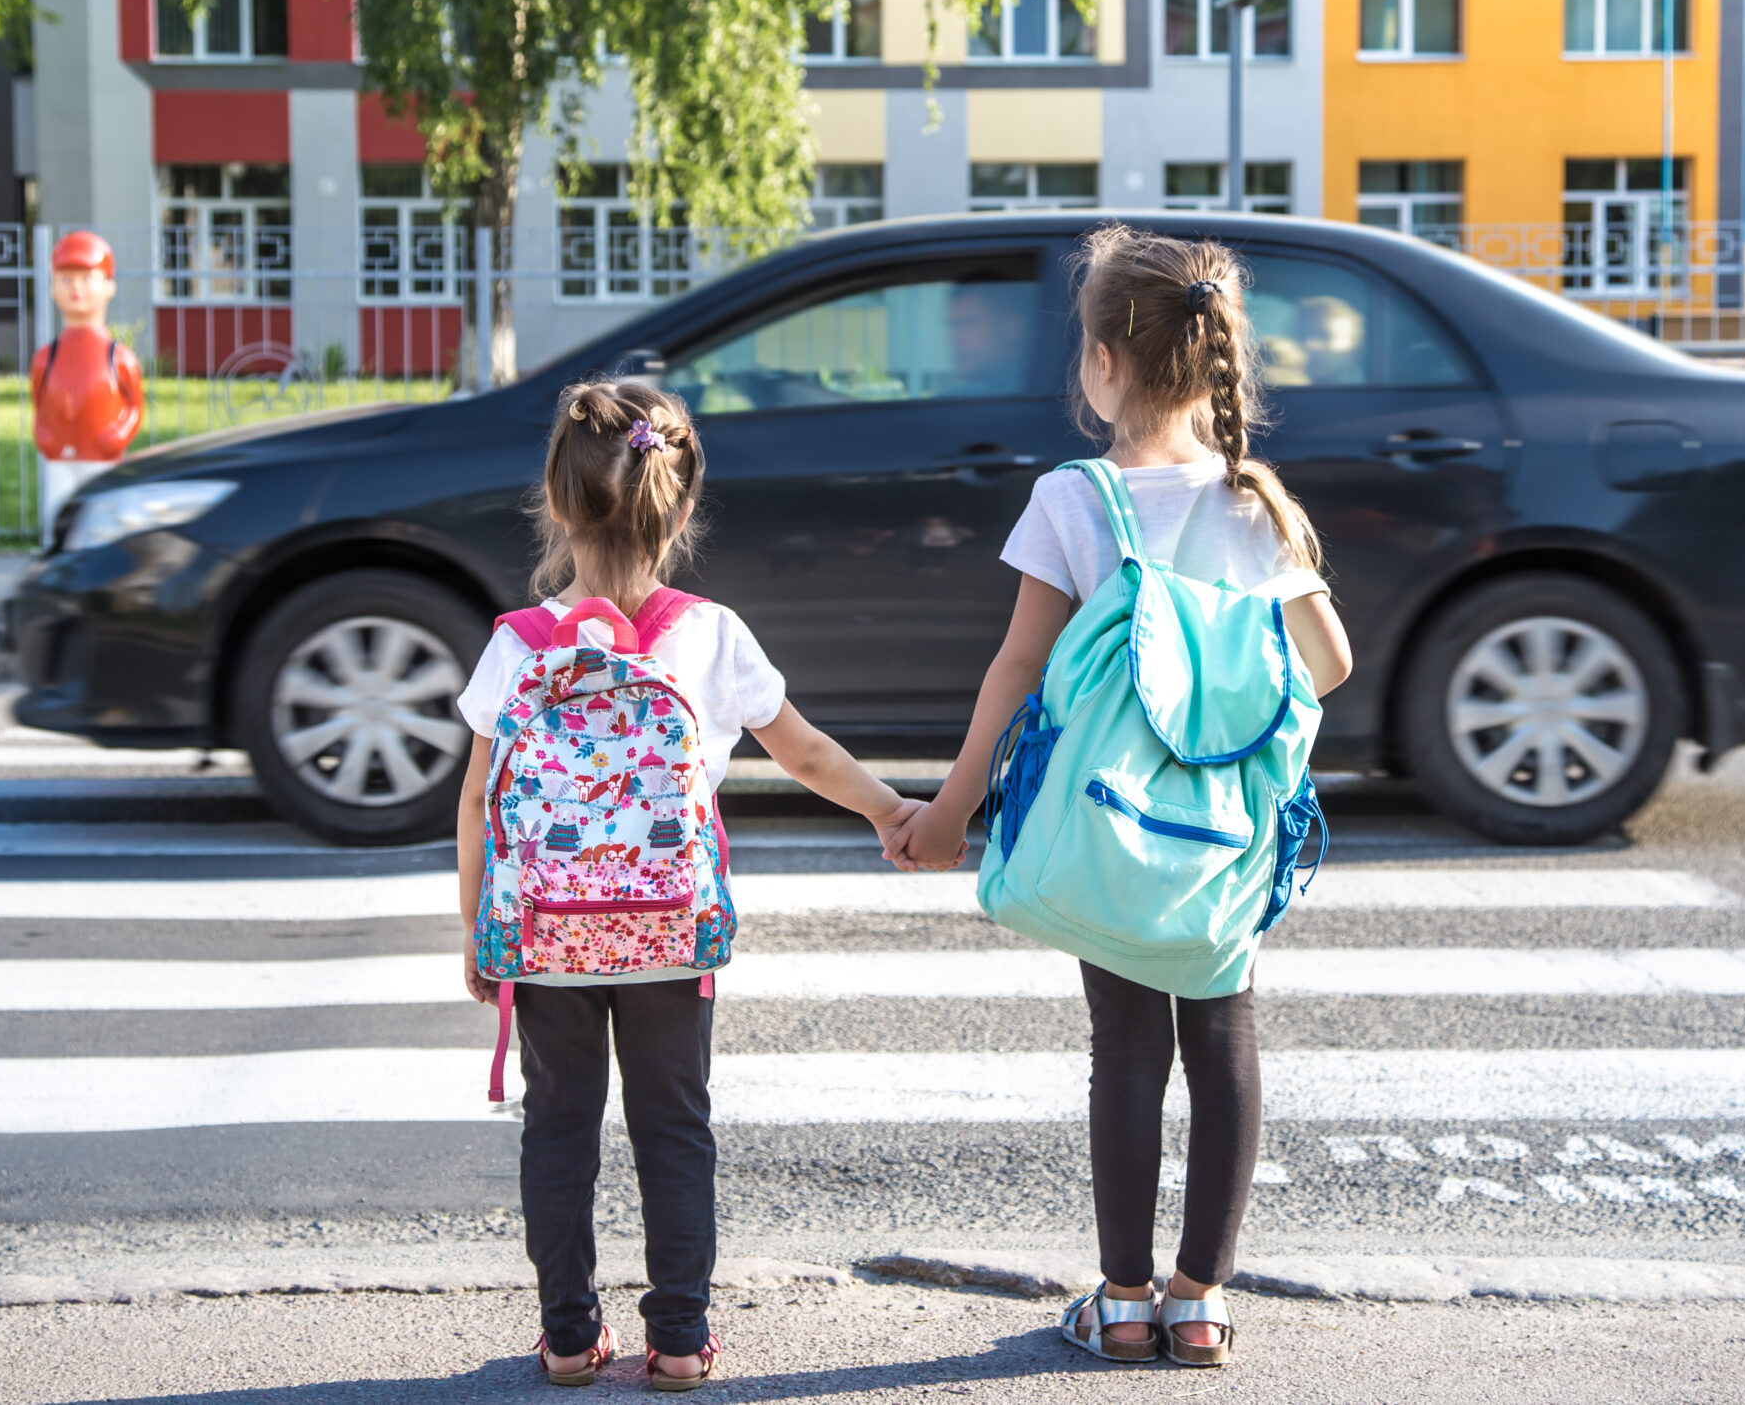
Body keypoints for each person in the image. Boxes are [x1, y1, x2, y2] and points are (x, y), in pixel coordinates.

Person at [891, 226, 1352, 1366]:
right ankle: (1201, 1300)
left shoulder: (1073, 497)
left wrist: (950, 813)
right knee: (1225, 1030)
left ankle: (1125, 1296)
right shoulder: (1256, 501)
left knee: (1125, 1045)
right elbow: (1330, 662)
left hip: (1109, 820)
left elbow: (1016, 667)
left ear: (1101, 362)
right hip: (1223, 829)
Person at [453, 378, 923, 1390]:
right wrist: (890, 811)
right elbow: (802, 753)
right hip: (670, 932)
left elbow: (478, 803)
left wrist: (475, 933)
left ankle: (569, 1338)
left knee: (558, 1127)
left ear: (556, 499)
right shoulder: (708, 634)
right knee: (673, 1125)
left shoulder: (517, 647)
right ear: (679, 507)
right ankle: (677, 1338)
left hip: (547, 934)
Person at [29, 230, 145, 538]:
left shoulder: (119, 357)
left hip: (102, 458)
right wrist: (45, 436)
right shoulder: (46, 357)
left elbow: (134, 406)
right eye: (66, 279)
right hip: (61, 459)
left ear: (109, 286)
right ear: (52, 287)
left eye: (86, 278)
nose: (75, 288)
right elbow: (39, 404)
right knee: (58, 519)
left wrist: (118, 434)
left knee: (105, 523)